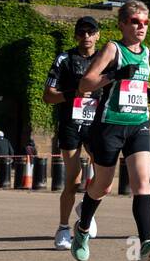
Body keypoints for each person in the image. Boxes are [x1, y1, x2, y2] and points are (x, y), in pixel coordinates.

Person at [70, 1, 150, 261]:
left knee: (142, 183)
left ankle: (145, 244)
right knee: (103, 185)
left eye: (145, 23)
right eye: (135, 22)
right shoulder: (113, 49)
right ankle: (83, 228)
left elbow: (135, 84)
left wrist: (149, 93)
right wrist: (114, 74)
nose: (141, 27)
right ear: (122, 24)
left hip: (138, 124)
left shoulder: (148, 54)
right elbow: (85, 84)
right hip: (110, 125)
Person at [44, 17, 105, 248]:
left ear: (98, 35)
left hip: (96, 124)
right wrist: (72, 94)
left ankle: (85, 209)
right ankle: (62, 228)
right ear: (76, 35)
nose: (87, 36)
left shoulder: (105, 59)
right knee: (73, 179)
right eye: (82, 32)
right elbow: (48, 96)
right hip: (70, 124)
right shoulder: (64, 59)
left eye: (91, 32)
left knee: (103, 176)